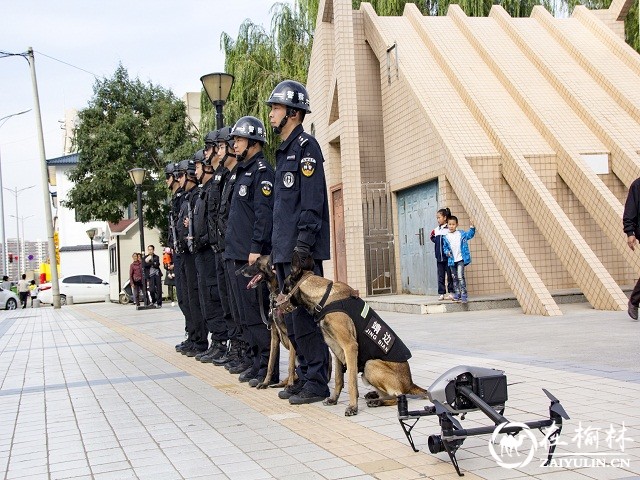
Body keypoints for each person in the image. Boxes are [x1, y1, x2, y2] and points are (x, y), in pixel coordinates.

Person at [267, 80, 331, 404]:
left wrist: (303, 247)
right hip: (284, 251)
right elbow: (281, 209)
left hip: (299, 252)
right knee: (291, 317)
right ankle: (305, 375)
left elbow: (312, 201)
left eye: (276, 108)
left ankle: (318, 380)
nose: (271, 114)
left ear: (293, 112)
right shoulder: (284, 152)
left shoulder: (307, 148)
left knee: (305, 317)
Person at [224, 116, 276, 386]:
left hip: (251, 257)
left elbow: (263, 215)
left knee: (256, 314)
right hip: (235, 253)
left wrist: (256, 249)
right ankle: (256, 362)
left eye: (239, 139)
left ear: (254, 141)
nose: (235, 144)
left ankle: (268, 365)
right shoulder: (241, 171)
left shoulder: (262, 172)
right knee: (244, 315)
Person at [192, 130, 228, 363]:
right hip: (211, 250)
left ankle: (230, 346)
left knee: (220, 298)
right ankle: (219, 342)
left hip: (222, 250)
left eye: (209, 148)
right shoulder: (211, 186)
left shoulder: (222, 180)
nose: (196, 170)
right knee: (212, 298)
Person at [176, 155, 209, 357]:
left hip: (198, 251)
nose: (178, 180)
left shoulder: (198, 195)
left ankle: (202, 340)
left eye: (180, 175)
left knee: (199, 298)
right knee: (187, 298)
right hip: (186, 253)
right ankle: (194, 336)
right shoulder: (186, 198)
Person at [442, 216, 475, 304]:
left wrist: (472, 227)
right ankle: (457, 294)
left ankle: (464, 294)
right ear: (447, 225)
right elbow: (445, 248)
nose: (451, 226)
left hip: (460, 259)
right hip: (452, 261)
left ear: (457, 225)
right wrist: (447, 252)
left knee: (460, 276)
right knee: (454, 278)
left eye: (453, 224)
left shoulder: (461, 234)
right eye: (450, 224)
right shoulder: (445, 237)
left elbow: (470, 235)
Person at [623, 179, 640, 319]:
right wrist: (630, 233)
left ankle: (634, 301)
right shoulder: (637, 185)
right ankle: (634, 302)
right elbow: (630, 210)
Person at [430, 207, 454, 301]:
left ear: (444, 218)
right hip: (439, 257)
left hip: (448, 257)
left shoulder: (449, 229)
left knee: (450, 275)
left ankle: (451, 292)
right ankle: (441, 293)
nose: (438, 219)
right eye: (437, 218)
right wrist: (436, 241)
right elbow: (431, 236)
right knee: (440, 276)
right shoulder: (436, 230)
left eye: (439, 217)